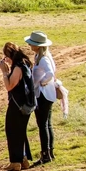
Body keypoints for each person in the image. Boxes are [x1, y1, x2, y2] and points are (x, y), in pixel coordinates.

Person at [0, 42, 35, 171]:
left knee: (12, 130)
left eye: (6, 57)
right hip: (26, 104)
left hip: (17, 105)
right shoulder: (25, 63)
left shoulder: (18, 67)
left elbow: (9, 86)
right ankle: (23, 159)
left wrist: (4, 72)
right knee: (20, 132)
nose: (6, 60)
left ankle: (16, 161)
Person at [26, 32, 57, 164]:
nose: (29, 45)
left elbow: (50, 73)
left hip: (43, 95)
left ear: (37, 46)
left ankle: (45, 154)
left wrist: (42, 82)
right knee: (47, 124)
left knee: (42, 124)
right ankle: (49, 152)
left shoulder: (43, 59)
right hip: (47, 94)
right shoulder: (41, 56)